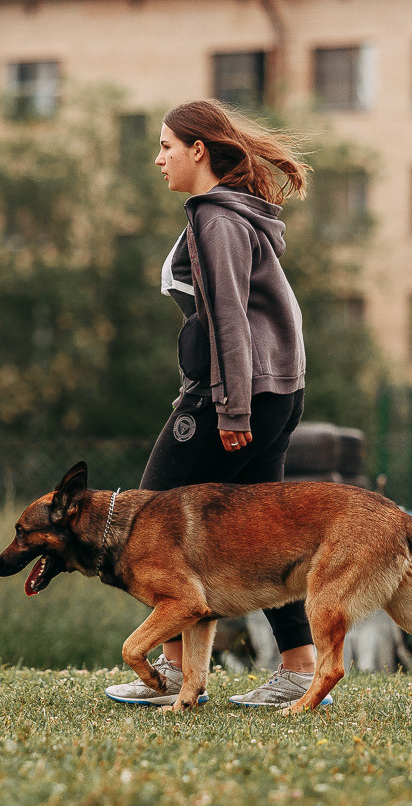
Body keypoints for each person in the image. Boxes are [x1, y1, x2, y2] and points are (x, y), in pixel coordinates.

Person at [105, 99, 330, 709]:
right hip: (276, 389)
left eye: (166, 147)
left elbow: (230, 319)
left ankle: (175, 675)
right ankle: (300, 670)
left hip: (237, 394)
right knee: (265, 535)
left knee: (150, 522)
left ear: (197, 150)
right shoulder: (236, 215)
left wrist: (230, 411)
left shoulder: (213, 217)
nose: (159, 160)